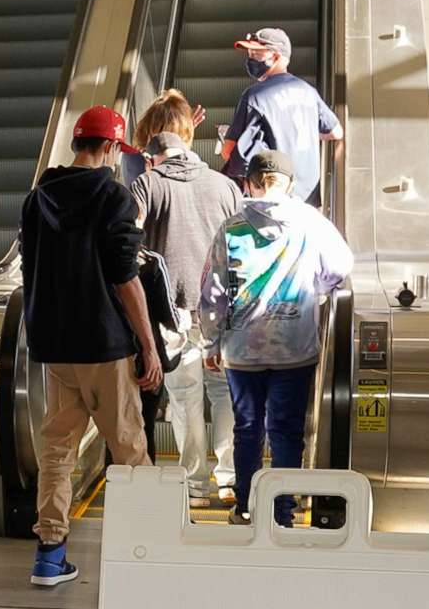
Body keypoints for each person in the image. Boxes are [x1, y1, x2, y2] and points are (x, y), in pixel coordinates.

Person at [15, 104, 162, 589]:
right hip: (103, 345)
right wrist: (148, 343)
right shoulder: (112, 197)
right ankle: (145, 551)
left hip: (55, 348)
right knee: (128, 449)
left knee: (57, 450)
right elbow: (125, 278)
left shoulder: (38, 199)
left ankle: (50, 556)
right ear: (112, 148)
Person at [204, 150, 354, 524]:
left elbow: (214, 291)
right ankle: (282, 513)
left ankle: (245, 507)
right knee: (286, 431)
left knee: (248, 428)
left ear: (249, 183)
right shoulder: (311, 222)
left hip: (242, 348)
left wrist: (210, 340)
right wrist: (313, 288)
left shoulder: (233, 226)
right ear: (289, 184)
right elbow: (340, 265)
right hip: (295, 346)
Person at [130, 89, 244, 504]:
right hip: (222, 311)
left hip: (169, 313)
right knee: (224, 393)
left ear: (150, 141)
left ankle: (194, 485)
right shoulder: (225, 185)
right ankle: (230, 478)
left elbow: (127, 241)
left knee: (183, 398)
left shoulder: (145, 184)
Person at [216, 26, 343, 209]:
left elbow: (228, 150)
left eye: (257, 54)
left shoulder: (254, 96)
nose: (250, 59)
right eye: (250, 53)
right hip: (307, 199)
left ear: (276, 57)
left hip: (271, 200)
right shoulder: (308, 92)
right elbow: (336, 132)